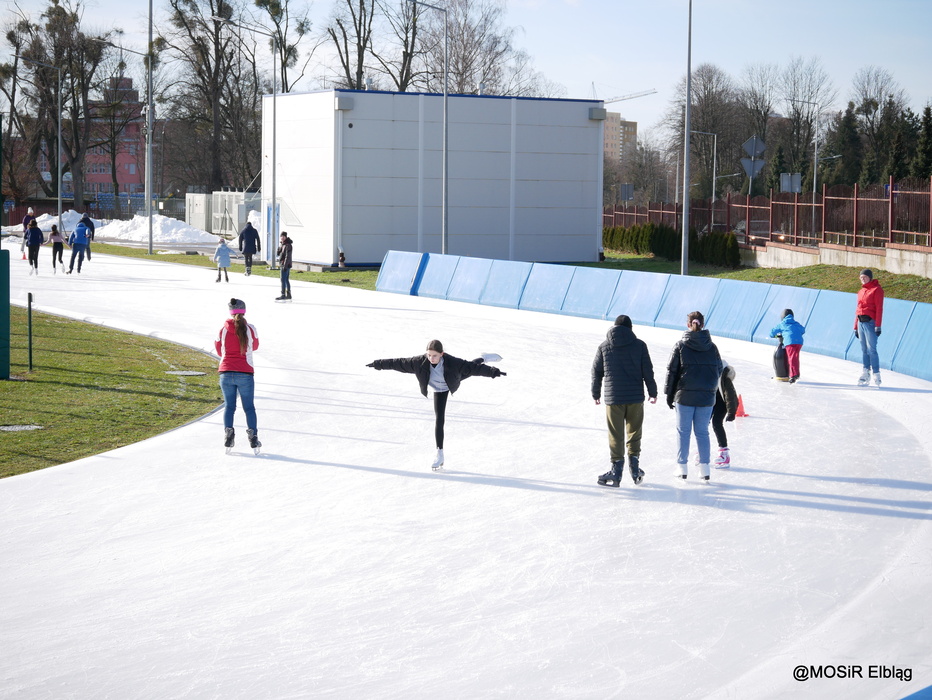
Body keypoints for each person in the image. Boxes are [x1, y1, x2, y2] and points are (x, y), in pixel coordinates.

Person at [367, 340, 506, 470]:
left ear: (442, 354)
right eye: (429, 355)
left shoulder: (452, 362)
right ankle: (440, 453)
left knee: (468, 369)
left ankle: (484, 358)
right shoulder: (419, 362)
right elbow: (399, 363)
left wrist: (493, 372)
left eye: (434, 355)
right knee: (439, 419)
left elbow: (473, 368)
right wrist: (378, 364)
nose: (431, 358)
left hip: (451, 380)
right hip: (438, 390)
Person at [591, 314, 657, 488]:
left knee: (616, 434)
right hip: (635, 398)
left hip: (614, 399)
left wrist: (595, 393)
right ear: (630, 329)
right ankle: (634, 469)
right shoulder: (640, 346)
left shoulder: (604, 347)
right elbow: (647, 371)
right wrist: (653, 391)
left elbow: (596, 372)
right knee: (634, 432)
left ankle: (616, 471)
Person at [664, 311, 723, 481]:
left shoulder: (680, 346)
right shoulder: (712, 347)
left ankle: (682, 466)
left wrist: (669, 394)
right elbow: (719, 370)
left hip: (684, 396)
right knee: (702, 432)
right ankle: (705, 469)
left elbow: (672, 372)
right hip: (707, 398)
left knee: (683, 431)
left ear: (688, 324)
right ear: (702, 324)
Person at [214, 298, 261, 452]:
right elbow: (255, 346)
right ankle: (253, 437)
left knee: (229, 407)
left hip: (226, 372)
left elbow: (218, 349)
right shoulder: (250, 328)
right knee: (249, 407)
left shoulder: (222, 329)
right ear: (244, 311)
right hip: (245, 372)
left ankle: (228, 434)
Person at [854, 268, 884, 387]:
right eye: (861, 277)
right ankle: (866, 372)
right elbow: (857, 309)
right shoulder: (861, 291)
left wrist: (878, 325)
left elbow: (879, 308)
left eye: (865, 277)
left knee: (872, 349)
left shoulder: (877, 290)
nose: (863, 279)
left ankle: (876, 373)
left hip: (870, 322)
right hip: (861, 322)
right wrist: (855, 326)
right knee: (864, 350)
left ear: (870, 277)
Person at [710, 361, 738, 468]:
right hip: (710, 401)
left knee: (716, 423)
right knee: (702, 425)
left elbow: (731, 395)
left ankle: (724, 454)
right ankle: (703, 451)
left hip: (721, 403)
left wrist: (731, 412)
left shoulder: (724, 376)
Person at [769, 309, 806, 383]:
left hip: (790, 342)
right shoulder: (796, 323)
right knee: (795, 358)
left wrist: (774, 335)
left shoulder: (783, 323)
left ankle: (793, 376)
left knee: (791, 358)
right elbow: (803, 330)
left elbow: (772, 332)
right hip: (799, 342)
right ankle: (796, 374)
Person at [276, 231, 293, 301]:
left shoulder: (288, 245)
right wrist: (280, 247)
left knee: (283, 279)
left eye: (283, 236)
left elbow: (287, 256)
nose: (282, 238)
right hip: (284, 264)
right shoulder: (283, 245)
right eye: (281, 236)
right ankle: (288, 294)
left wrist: (285, 266)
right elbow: (278, 253)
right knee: (286, 279)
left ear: (286, 237)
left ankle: (283, 294)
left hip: (285, 264)